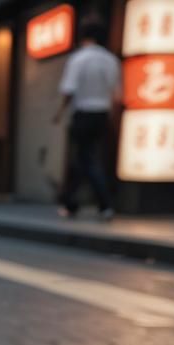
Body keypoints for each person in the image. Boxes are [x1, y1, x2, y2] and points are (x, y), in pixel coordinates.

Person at [53, 19, 121, 221]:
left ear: (85, 38)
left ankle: (103, 203)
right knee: (85, 158)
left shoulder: (79, 59)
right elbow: (116, 93)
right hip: (102, 113)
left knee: (86, 159)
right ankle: (70, 202)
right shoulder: (111, 60)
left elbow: (68, 90)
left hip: (83, 112)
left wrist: (58, 113)